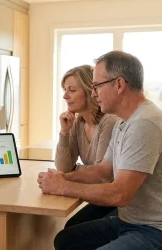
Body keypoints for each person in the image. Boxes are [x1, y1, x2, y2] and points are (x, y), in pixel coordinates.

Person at [38, 51, 162, 250]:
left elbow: (120, 194)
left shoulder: (145, 124)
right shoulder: (125, 121)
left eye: (97, 86)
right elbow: (104, 171)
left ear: (119, 84)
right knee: (66, 240)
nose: (93, 93)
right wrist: (63, 177)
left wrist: (62, 187)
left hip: (161, 232)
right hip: (131, 222)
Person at [56, 65, 118, 228]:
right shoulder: (78, 122)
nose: (65, 96)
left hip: (117, 199)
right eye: (64, 89)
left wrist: (74, 172)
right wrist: (64, 133)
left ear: (90, 91)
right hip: (103, 195)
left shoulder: (109, 121)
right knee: (71, 226)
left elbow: (101, 174)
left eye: (72, 90)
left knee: (71, 229)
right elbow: (64, 167)